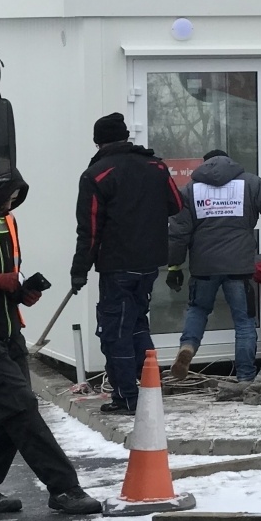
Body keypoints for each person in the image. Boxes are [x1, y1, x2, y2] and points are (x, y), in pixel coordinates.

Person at [0, 171, 102, 516]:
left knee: (11, 413)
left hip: (8, 328)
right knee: (20, 407)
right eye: (6, 198)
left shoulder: (7, 220)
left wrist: (20, 291)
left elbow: (8, 276)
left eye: (16, 199)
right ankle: (65, 489)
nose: (10, 205)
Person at [69, 112, 184, 415]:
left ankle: (127, 397)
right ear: (125, 136)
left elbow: (90, 229)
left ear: (98, 141)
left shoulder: (96, 175)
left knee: (115, 331)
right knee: (136, 324)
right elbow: (176, 204)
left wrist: (79, 270)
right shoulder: (155, 166)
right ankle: (148, 389)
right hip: (149, 264)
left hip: (117, 265)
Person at [165, 150, 261, 382]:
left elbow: (178, 233)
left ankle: (187, 347)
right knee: (244, 322)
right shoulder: (250, 183)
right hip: (239, 267)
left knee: (198, 310)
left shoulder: (189, 190)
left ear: (205, 164)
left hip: (204, 267)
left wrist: (174, 266)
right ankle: (246, 377)